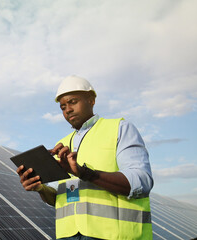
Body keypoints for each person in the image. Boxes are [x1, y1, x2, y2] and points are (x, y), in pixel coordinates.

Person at [16, 75, 153, 240]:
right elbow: (59, 198)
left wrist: (85, 173)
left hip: (116, 236)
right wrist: (40, 188)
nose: (67, 109)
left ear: (91, 100)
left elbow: (141, 181)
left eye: (73, 102)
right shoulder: (62, 144)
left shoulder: (119, 129)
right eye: (63, 107)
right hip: (69, 236)